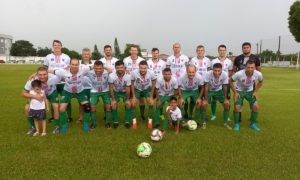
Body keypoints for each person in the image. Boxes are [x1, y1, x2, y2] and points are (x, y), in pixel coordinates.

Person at [49, 58, 92, 133]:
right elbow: (49, 70)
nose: (74, 66)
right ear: (70, 65)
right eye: (73, 64)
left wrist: (106, 68)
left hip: (80, 91)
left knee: (87, 107)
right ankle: (64, 127)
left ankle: (85, 125)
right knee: (62, 109)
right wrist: (34, 74)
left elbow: (95, 66)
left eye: (76, 65)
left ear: (79, 65)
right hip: (67, 91)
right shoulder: (63, 72)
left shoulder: (83, 69)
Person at [22, 67, 60, 134]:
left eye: (44, 74)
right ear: (37, 74)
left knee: (56, 106)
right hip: (37, 94)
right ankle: (33, 127)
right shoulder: (32, 80)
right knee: (27, 108)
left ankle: (56, 127)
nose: (42, 77)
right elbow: (23, 93)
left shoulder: (54, 78)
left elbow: (63, 74)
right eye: (40, 75)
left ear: (48, 73)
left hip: (51, 92)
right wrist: (34, 96)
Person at [43, 40, 72, 123]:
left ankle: (69, 116)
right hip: (52, 82)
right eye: (55, 45)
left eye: (58, 45)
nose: (57, 46)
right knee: (53, 100)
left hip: (63, 82)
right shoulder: (48, 57)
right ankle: (53, 116)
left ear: (61, 46)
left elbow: (70, 68)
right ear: (53, 46)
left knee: (66, 100)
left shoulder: (66, 57)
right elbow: (44, 68)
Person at [230, 60, 263, 132]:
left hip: (250, 91)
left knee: (256, 106)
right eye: (248, 67)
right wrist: (235, 92)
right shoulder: (239, 74)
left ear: (254, 68)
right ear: (245, 67)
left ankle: (253, 124)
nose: (250, 69)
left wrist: (255, 91)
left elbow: (261, 82)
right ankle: (236, 124)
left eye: (252, 67)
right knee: (237, 107)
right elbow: (230, 81)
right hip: (239, 91)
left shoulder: (258, 74)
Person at [233, 42, 261, 122]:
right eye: (244, 47)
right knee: (239, 102)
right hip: (240, 83)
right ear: (242, 49)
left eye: (247, 47)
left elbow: (258, 70)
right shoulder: (238, 58)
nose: (246, 49)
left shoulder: (255, 58)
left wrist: (255, 89)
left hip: (251, 84)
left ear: (250, 48)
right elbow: (235, 69)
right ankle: (239, 118)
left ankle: (253, 119)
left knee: (253, 102)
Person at [203, 63, 231, 130]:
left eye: (219, 71)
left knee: (226, 104)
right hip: (210, 90)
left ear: (221, 70)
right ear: (212, 70)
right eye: (215, 70)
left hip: (219, 90)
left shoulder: (224, 74)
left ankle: (225, 123)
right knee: (204, 104)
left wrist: (226, 98)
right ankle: (203, 123)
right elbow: (206, 87)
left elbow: (224, 87)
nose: (217, 72)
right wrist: (206, 99)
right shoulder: (208, 74)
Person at [166, 43, 191, 119]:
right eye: (175, 47)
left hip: (182, 81)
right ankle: (171, 115)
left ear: (180, 48)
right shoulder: (169, 58)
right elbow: (167, 70)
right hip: (173, 82)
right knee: (171, 98)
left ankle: (183, 114)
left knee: (183, 99)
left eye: (178, 47)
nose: (176, 49)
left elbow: (188, 68)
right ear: (173, 48)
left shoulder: (185, 57)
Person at [210, 45, 233, 121]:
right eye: (220, 50)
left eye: (223, 50)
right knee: (214, 99)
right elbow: (211, 72)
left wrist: (224, 79)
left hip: (225, 83)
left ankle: (227, 115)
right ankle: (213, 114)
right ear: (218, 51)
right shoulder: (213, 61)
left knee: (227, 99)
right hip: (215, 83)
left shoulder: (229, 62)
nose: (222, 52)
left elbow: (230, 72)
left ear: (225, 51)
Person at [131, 61, 156, 129]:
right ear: (138, 67)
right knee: (133, 103)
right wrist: (133, 96)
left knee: (151, 103)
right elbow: (132, 84)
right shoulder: (134, 73)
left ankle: (150, 122)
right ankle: (134, 122)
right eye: (141, 68)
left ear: (147, 67)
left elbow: (154, 83)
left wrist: (151, 96)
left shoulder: (151, 72)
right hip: (137, 89)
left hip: (146, 89)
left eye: (144, 68)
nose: (143, 70)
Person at [87, 60, 112, 129]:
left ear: (103, 68)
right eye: (96, 68)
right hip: (94, 90)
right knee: (92, 107)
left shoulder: (107, 72)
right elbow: (81, 69)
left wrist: (107, 68)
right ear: (93, 68)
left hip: (105, 90)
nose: (98, 70)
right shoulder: (89, 72)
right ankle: (94, 123)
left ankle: (107, 123)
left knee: (108, 106)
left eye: (100, 68)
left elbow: (115, 71)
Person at [109, 60, 132, 128]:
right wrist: (113, 99)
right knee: (113, 104)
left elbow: (128, 89)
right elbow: (111, 88)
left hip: (125, 92)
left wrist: (127, 99)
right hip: (116, 92)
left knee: (128, 104)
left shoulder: (128, 76)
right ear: (115, 68)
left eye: (121, 67)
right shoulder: (111, 76)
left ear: (124, 67)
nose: (120, 69)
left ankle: (127, 121)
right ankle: (116, 121)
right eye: (118, 67)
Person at [78, 48, 93, 123]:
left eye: (87, 54)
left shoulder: (93, 63)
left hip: (91, 87)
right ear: (82, 55)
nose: (86, 55)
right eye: (84, 54)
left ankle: (90, 116)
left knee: (90, 102)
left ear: (90, 55)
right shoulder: (78, 64)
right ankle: (81, 117)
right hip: (81, 87)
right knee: (81, 103)